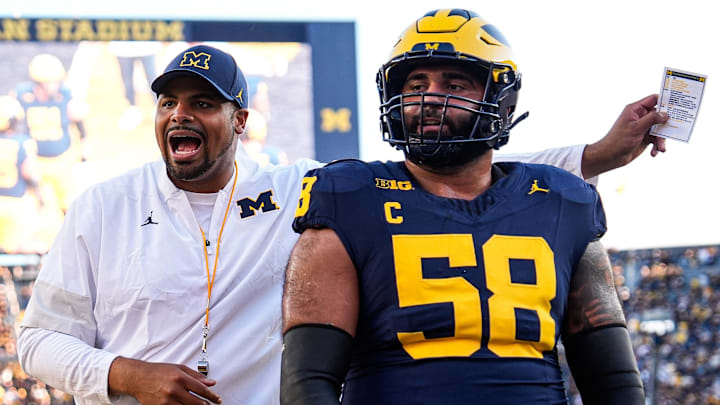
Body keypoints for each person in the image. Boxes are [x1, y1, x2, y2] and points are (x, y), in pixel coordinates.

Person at [17, 34, 665, 405]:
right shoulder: (101, 206)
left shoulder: (301, 187)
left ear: (241, 120)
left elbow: (445, 168)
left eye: (203, 104)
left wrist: (594, 154)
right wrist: (128, 373)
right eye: (167, 102)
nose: (179, 115)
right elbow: (37, 341)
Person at [281, 9, 654, 405]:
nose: (429, 99)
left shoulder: (564, 201)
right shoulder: (349, 197)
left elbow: (614, 382)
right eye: (416, 84)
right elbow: (308, 382)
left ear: (502, 102)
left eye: (454, 85)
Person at [16, 53, 89, 212]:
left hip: (61, 159)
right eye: (50, 82)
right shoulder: (22, 95)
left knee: (68, 203)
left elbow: (78, 119)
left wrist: (84, 148)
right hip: (36, 160)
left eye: (56, 81)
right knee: (32, 204)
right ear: (38, 82)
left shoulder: (64, 94)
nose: (54, 85)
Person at [0, 95, 44, 253]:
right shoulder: (23, 142)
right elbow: (30, 173)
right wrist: (40, 197)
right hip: (16, 206)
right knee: (35, 243)